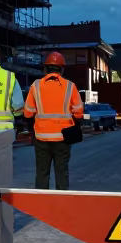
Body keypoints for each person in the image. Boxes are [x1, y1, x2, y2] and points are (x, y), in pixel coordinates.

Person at [22, 51, 85, 190]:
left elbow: (27, 113)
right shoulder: (70, 86)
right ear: (62, 69)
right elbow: (79, 112)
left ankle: (42, 205)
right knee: (62, 172)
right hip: (63, 139)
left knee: (42, 173)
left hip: (41, 138)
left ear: (45, 68)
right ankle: (61, 205)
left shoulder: (36, 86)